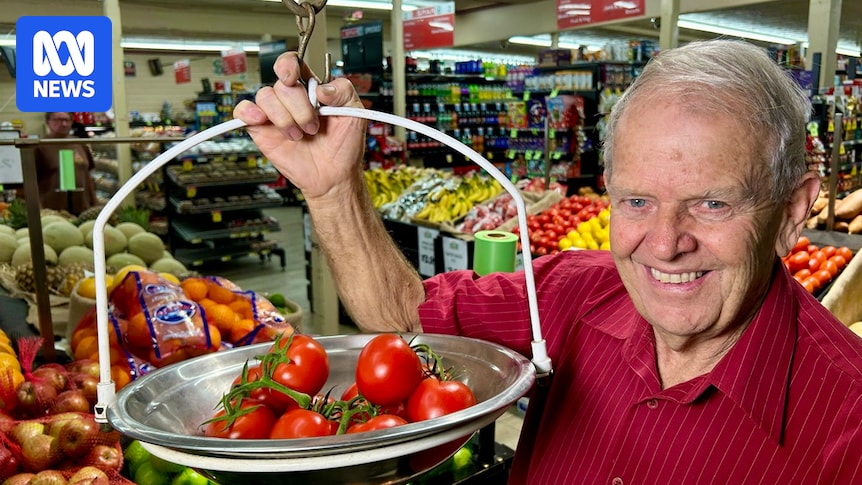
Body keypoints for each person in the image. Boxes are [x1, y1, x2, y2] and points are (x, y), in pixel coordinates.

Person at [234, 39, 862, 483]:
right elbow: (401, 318)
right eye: (637, 201)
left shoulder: (848, 427)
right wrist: (333, 191)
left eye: (713, 204)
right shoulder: (571, 293)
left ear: (792, 212)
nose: (666, 243)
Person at [35, 112, 99, 215]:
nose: (64, 124)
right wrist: (38, 208)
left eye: (67, 120)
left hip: (82, 206)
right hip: (53, 210)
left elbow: (87, 175)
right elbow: (33, 180)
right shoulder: (40, 146)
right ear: (48, 122)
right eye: (58, 120)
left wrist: (95, 202)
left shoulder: (80, 144)